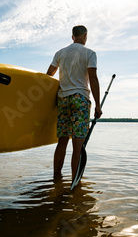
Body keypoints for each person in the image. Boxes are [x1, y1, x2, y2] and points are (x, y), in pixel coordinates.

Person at [47, 25, 102, 180]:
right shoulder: (90, 53)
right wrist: (98, 105)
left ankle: (56, 178)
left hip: (63, 99)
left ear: (72, 37)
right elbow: (93, 78)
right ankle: (74, 183)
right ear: (85, 36)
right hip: (80, 99)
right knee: (78, 144)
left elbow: (49, 74)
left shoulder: (60, 53)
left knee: (62, 141)